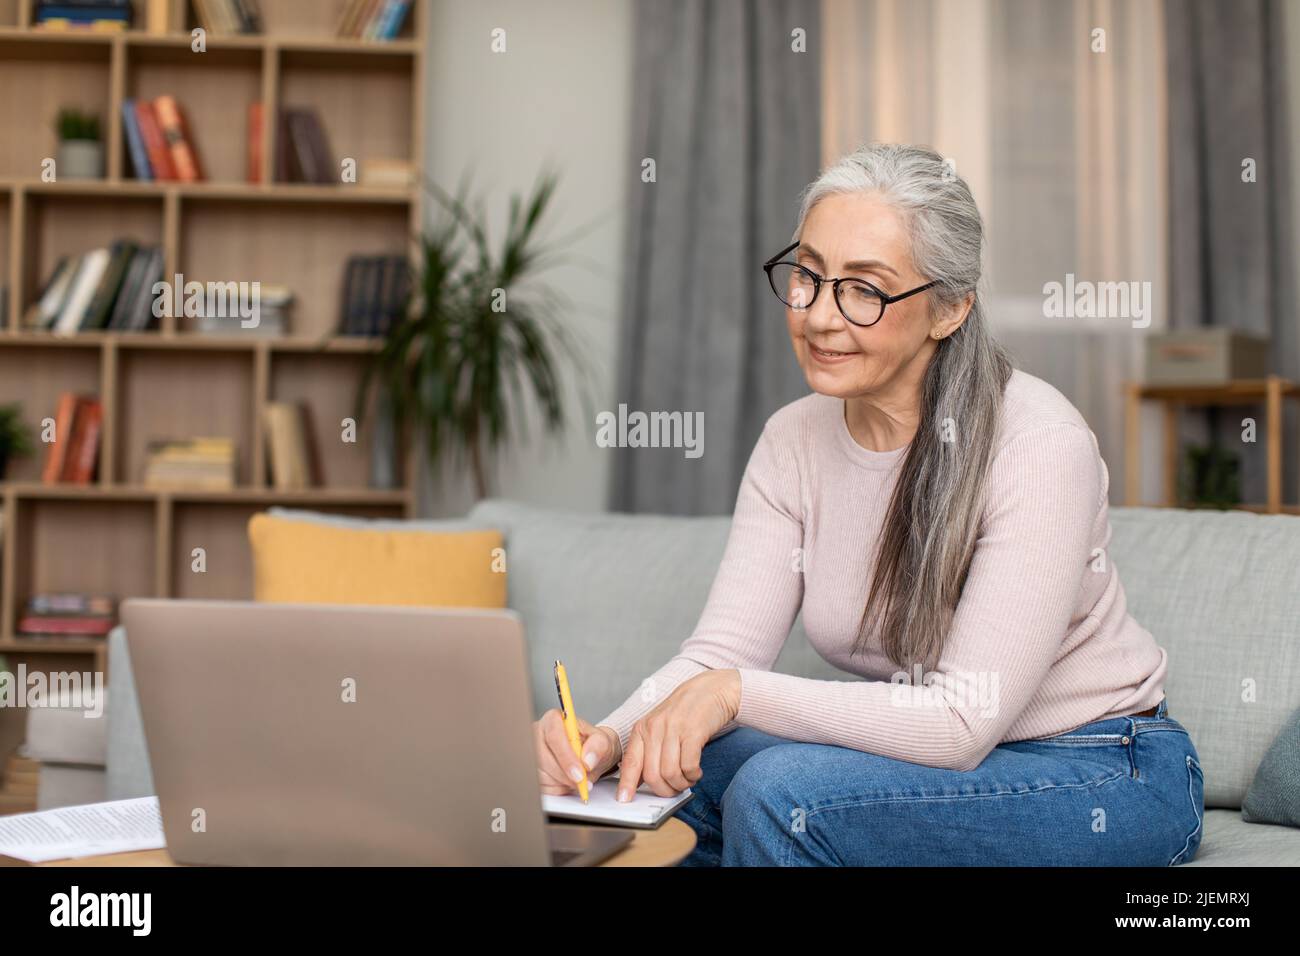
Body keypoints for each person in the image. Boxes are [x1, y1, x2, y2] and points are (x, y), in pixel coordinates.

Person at [533, 143, 1204, 866]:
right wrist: (607, 739)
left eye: (865, 289)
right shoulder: (791, 440)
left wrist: (734, 695)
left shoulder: (1040, 443)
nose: (821, 316)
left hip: (1103, 767)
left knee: (777, 794)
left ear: (948, 309)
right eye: (810, 278)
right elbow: (721, 652)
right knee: (672, 777)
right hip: (937, 767)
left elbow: (960, 721)